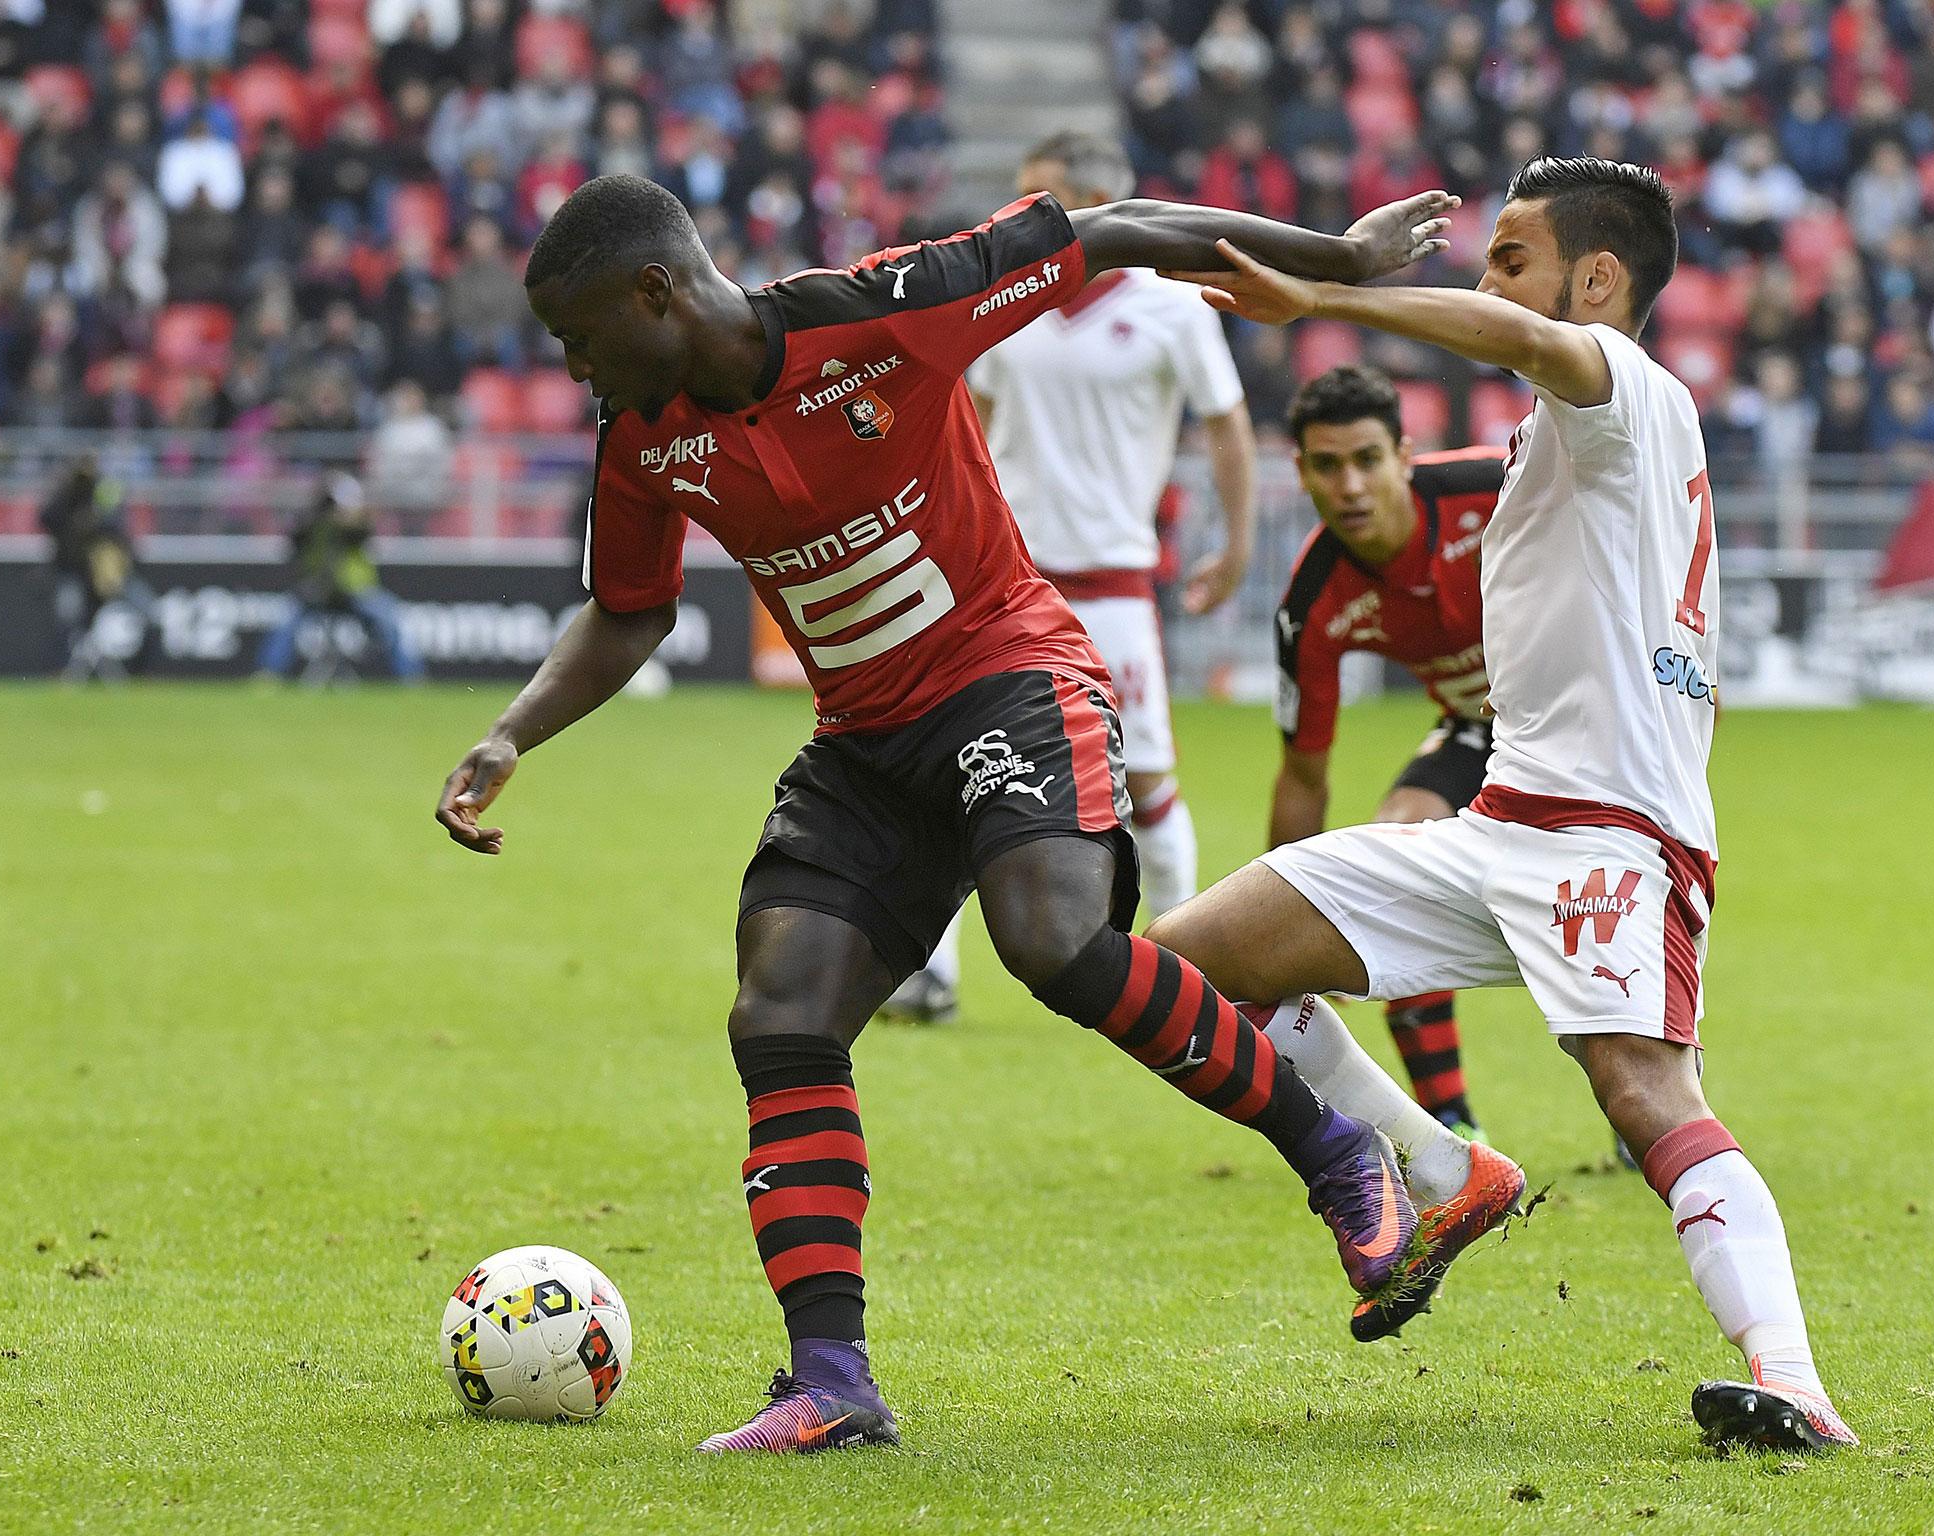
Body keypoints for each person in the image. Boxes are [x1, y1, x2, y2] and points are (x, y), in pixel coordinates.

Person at [434, 172, 1473, 1454]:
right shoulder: (644, 437)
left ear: (654, 291)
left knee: (1050, 943)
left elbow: (1107, 229)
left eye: (580, 339)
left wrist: (1336, 256)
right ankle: (831, 1381)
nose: (578, 375)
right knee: (781, 1008)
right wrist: (510, 730)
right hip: (864, 745)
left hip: (1004, 678)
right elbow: (631, 606)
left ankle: (1336, 1157)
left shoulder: (878, 314)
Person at [1154, 156, 1856, 1452]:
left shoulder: (1626, 391)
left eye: (1510, 256)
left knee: (1638, 1088)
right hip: (1498, 820)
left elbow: (1531, 340)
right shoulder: (1557, 430)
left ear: (1598, 279)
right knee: (1180, 971)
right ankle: (1436, 1165)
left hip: (1613, 831)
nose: (1488, 282)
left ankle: (1794, 1380)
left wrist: (1325, 292)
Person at [882, 130, 1258, 1025]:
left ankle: (1196, 958)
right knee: (963, 771)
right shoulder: (1004, 302)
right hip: (1001, 584)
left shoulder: (1172, 308)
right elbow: (963, 420)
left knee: (1152, 778)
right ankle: (930, 974)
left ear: (1093, 202)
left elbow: (1228, 425)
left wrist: (1238, 545)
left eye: (1041, 196)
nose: (1023, 216)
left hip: (1115, 581)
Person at [1270, 365, 1505, 1140]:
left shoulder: (1496, 485)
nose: (1351, 485)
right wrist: (1290, 923)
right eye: (1328, 465)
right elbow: (1304, 772)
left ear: (1406, 454)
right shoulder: (1313, 601)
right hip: (1482, 732)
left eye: (1367, 459)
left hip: (1589, 729)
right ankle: (1452, 1130)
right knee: (1399, 867)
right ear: (1301, 472)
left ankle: (1646, 1110)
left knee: (1607, 915)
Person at [257, 472, 423, 682]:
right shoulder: (313, 525)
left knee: (392, 622)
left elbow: (361, 529)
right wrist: (318, 513)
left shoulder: (355, 525)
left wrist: (343, 514)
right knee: (284, 620)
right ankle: (269, 675)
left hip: (356, 591)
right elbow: (294, 540)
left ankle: (411, 678)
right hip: (316, 592)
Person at [39, 455, 154, 681]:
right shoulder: (69, 501)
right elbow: (46, 518)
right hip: (76, 574)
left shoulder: (103, 501)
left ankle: (142, 672)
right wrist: (70, 489)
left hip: (111, 578)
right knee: (68, 617)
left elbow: (123, 539)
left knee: (147, 612)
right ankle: (64, 670)